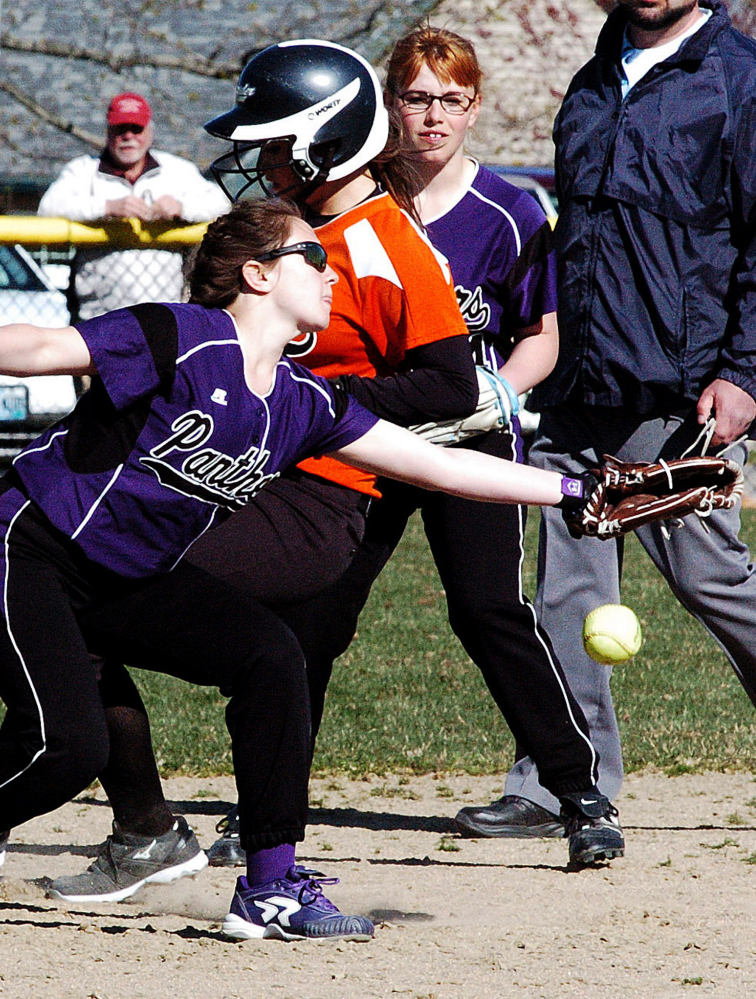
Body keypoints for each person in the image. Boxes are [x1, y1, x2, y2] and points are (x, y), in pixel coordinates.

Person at [0, 198, 595, 938]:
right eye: (312, 257)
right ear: (256, 273)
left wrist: (583, 490)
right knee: (68, 747)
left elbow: (438, 465)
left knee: (271, 655)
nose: (330, 271)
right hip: (28, 545)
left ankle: (270, 883)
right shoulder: (183, 336)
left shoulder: (298, 399)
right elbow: (48, 346)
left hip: (130, 577)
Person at [273, 25, 622, 864]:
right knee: (316, 615)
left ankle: (579, 795)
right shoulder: (349, 201)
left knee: (488, 611)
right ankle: (268, 802)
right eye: (417, 97)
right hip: (367, 433)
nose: (433, 116)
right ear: (389, 106)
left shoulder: (506, 209)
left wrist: (508, 384)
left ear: (474, 108)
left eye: (452, 99)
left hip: (469, 431)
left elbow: (542, 332)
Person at [460, 0, 756, 837]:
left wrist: (746, 372)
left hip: (675, 387)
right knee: (564, 589)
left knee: (711, 577)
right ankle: (562, 780)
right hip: (579, 378)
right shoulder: (594, 79)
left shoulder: (744, 81)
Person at [37, 91, 229, 319]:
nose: (128, 137)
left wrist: (181, 207)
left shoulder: (176, 170)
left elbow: (222, 204)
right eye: (120, 129)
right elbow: (48, 207)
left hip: (165, 314)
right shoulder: (83, 170)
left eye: (136, 129)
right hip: (98, 316)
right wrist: (107, 207)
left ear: (149, 132)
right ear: (108, 132)